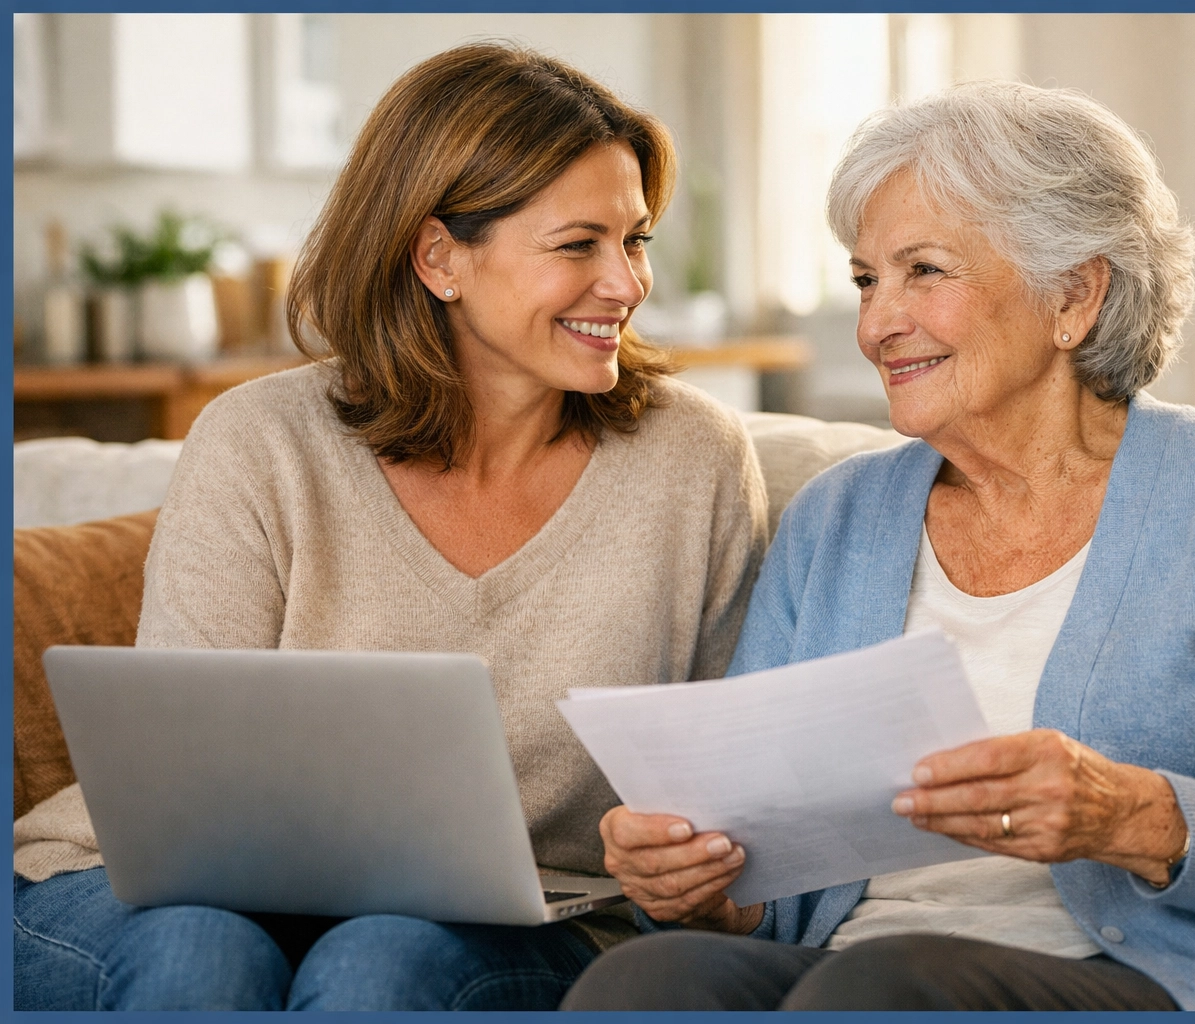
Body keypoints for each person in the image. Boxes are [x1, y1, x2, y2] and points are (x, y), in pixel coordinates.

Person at [562, 81, 1195, 1012]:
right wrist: (701, 888)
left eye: (926, 272)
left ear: (1074, 295)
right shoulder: (836, 520)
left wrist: (1138, 816)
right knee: (646, 977)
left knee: (887, 984)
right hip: (857, 971)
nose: (876, 326)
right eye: (868, 279)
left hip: (1152, 983)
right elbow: (772, 893)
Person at [13, 44, 767, 1011]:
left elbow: (727, 797)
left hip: (532, 920)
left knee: (379, 960)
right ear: (439, 257)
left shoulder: (691, 460)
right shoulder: (261, 441)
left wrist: (696, 870)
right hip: (157, 896)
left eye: (637, 241)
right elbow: (183, 796)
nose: (625, 284)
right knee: (202, 957)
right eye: (580, 245)